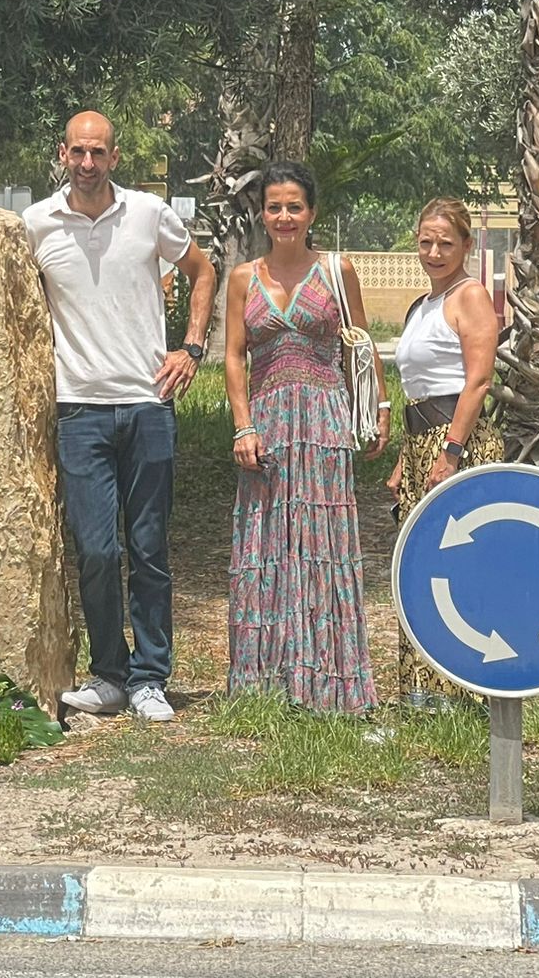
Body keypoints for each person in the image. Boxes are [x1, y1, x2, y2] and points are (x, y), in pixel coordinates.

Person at [24, 110, 216, 722]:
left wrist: (191, 347)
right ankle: (109, 674)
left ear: (114, 156)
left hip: (147, 404)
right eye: (77, 152)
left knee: (149, 546)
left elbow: (203, 271)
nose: (87, 163)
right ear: (62, 153)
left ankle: (149, 677)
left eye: (97, 152)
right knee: (99, 551)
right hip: (79, 407)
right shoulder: (35, 224)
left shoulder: (147, 213)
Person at [224, 161, 385, 712]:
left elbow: (359, 345)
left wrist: (379, 409)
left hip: (323, 422)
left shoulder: (337, 271)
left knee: (323, 547)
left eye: (295, 206)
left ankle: (329, 683)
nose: (285, 216)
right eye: (275, 207)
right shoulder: (245, 277)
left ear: (312, 212)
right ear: (262, 214)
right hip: (267, 423)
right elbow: (232, 357)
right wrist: (242, 425)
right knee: (267, 545)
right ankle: (265, 682)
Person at [388, 195, 503, 709]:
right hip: (419, 442)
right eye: (425, 241)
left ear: (466, 246)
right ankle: (424, 688)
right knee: (420, 566)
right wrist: (402, 458)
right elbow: (418, 387)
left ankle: (467, 688)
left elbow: (477, 382)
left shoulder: (470, 296)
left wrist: (451, 451)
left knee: (461, 566)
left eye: (445, 242)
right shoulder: (421, 305)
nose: (434, 251)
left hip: (456, 443)